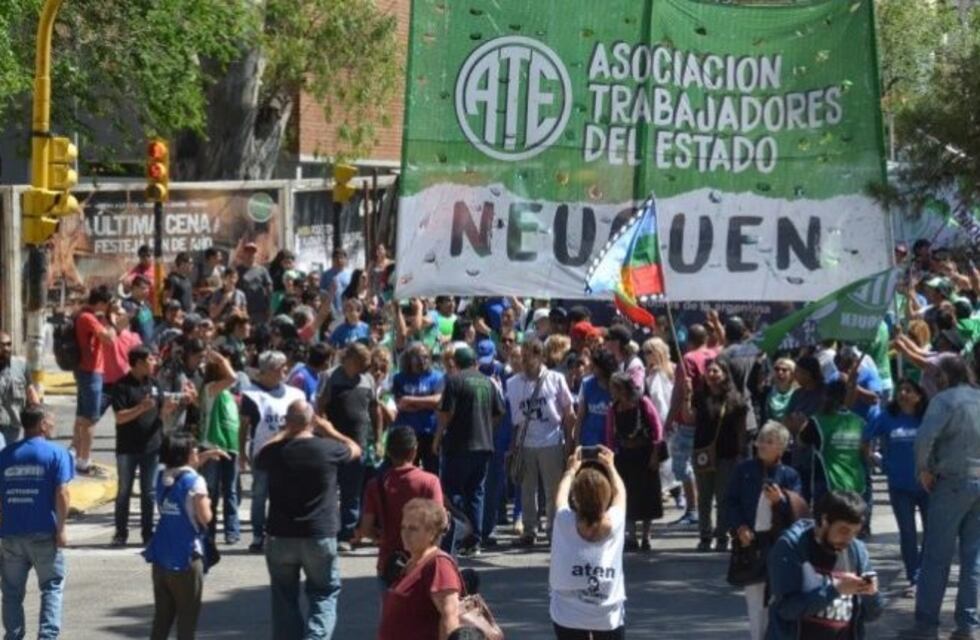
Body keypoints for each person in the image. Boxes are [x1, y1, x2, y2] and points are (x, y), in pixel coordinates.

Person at [256, 400, 359, 640]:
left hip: (280, 535)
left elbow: (260, 454)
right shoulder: (328, 449)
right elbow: (355, 448)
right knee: (324, 592)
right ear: (312, 421)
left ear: (288, 422)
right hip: (319, 533)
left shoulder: (274, 452)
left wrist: (285, 430)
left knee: (283, 598)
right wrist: (329, 429)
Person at [906, 355, 980, 640]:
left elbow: (925, 436)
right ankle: (968, 626)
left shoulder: (945, 400)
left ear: (945, 376)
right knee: (973, 558)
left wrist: (923, 468)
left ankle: (926, 625)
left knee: (936, 557)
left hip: (951, 482)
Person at [767, 491, 882, 640]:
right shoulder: (792, 546)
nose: (848, 539)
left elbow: (872, 614)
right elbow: (787, 609)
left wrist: (871, 594)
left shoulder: (857, 550)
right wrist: (835, 589)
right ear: (824, 520)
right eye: (843, 531)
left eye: (855, 533)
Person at [0, 406, 72, 640]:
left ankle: (13, 636)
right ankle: (47, 637)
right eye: (51, 421)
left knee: (11, 592)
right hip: (44, 534)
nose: (54, 425)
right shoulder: (57, 454)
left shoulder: (5, 455)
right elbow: (62, 493)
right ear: (41, 424)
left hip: (11, 534)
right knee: (51, 586)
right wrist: (61, 529)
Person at [143, 434, 225, 640]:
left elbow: (182, 473)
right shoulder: (196, 482)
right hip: (186, 557)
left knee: (162, 618)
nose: (197, 452)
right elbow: (205, 517)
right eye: (194, 450)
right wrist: (207, 501)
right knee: (187, 620)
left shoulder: (162, 476)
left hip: (161, 555)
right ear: (186, 455)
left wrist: (205, 456)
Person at [725, 422, 802, 640]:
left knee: (780, 599)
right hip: (751, 545)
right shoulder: (744, 470)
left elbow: (798, 511)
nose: (762, 445)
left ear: (781, 447)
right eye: (761, 440)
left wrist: (780, 501)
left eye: (770, 442)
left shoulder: (790, 476)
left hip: (779, 545)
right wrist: (739, 527)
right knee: (755, 602)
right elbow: (731, 502)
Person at [549, 446, 627, 640]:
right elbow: (621, 494)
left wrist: (570, 470)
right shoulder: (615, 521)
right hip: (607, 615)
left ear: (575, 498)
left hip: (567, 614)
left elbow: (559, 496)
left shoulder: (564, 520)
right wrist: (611, 467)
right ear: (605, 497)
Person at [434, 346, 506, 556]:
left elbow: (446, 414)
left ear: (455, 363)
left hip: (458, 445)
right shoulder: (487, 382)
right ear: (475, 362)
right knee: (476, 492)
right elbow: (499, 413)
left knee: (453, 492)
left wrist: (438, 438)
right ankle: (475, 540)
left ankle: (457, 535)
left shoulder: (454, 381)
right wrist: (487, 429)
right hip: (484, 445)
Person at [505, 338, 576, 547]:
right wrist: (513, 447)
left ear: (540, 357)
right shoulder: (513, 383)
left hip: (551, 440)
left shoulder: (555, 379)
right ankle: (529, 529)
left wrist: (569, 442)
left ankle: (553, 530)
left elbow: (568, 412)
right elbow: (515, 420)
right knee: (527, 489)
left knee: (553, 489)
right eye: (522, 358)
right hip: (525, 442)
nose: (524, 363)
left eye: (529, 358)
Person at [862, 378, 929, 590]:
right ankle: (914, 576)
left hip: (927, 486)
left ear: (919, 395)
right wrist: (875, 459)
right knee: (907, 533)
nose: (903, 394)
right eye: (900, 390)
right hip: (899, 486)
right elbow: (866, 440)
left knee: (931, 532)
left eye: (908, 390)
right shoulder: (887, 417)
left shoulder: (928, 418)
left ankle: (926, 572)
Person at [358, 426, 444, 588]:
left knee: (392, 611)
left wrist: (381, 537)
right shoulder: (430, 482)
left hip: (390, 563)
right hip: (423, 562)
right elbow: (440, 523)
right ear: (414, 450)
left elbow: (365, 528)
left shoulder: (375, 485)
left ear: (389, 452)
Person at [239, 350, 307, 553]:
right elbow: (244, 425)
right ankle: (258, 535)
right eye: (281, 368)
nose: (285, 371)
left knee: (285, 495)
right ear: (268, 371)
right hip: (263, 454)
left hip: (289, 454)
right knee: (260, 495)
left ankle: (281, 533)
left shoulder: (295, 394)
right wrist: (242, 452)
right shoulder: (252, 394)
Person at [316, 342, 382, 549]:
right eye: (363, 362)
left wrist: (378, 438)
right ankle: (326, 531)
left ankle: (347, 534)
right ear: (351, 359)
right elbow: (320, 408)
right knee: (327, 490)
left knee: (351, 493)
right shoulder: (329, 377)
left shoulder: (367, 379)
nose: (366, 367)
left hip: (359, 445)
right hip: (332, 444)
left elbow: (375, 409)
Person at [378, 498, 464, 640]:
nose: (405, 533)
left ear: (432, 533)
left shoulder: (439, 565)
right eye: (403, 527)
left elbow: (450, 617)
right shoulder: (412, 563)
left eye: (413, 528)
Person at [110, 346, 166, 547]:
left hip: (152, 446)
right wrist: (141, 408)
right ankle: (120, 532)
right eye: (150, 360)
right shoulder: (122, 386)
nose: (154, 363)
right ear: (139, 363)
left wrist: (172, 407)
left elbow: (160, 413)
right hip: (127, 448)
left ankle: (147, 533)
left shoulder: (155, 384)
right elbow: (120, 417)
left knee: (148, 492)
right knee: (124, 490)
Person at [604, 372, 663, 552]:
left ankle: (646, 535)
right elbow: (609, 437)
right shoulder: (613, 409)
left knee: (648, 496)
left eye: (613, 388)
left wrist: (655, 454)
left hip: (644, 455)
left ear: (621, 388)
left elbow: (657, 429)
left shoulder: (642, 403)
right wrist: (610, 460)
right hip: (625, 458)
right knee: (625, 495)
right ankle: (631, 535)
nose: (611, 392)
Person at [72, 285, 117, 474]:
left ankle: (76, 455)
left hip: (85, 370)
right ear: (101, 303)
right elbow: (109, 339)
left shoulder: (83, 314)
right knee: (90, 419)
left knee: (82, 417)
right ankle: (84, 460)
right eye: (107, 304)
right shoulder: (89, 318)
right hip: (91, 372)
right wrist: (111, 321)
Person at [199, 348, 242, 545]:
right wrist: (221, 359)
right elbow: (233, 377)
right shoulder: (211, 388)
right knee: (213, 491)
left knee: (231, 490)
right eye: (226, 365)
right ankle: (209, 531)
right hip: (212, 445)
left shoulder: (227, 394)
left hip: (230, 446)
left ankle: (232, 531)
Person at [392, 343, 444, 474]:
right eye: (419, 357)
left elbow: (438, 401)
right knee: (406, 472)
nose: (424, 360)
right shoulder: (399, 378)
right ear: (410, 358)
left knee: (432, 473)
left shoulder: (437, 377)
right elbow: (399, 403)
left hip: (429, 432)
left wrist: (411, 400)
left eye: (426, 357)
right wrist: (426, 404)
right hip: (407, 433)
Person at [0, 330, 40, 444]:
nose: (6, 348)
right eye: (2, 345)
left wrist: (39, 420)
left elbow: (31, 393)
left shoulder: (21, 366)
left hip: (14, 427)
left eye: (8, 344)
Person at [575, 350, 616, 447]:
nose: (591, 367)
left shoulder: (615, 386)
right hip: (589, 441)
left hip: (611, 444)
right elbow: (580, 416)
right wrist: (577, 442)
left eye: (595, 365)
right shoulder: (587, 384)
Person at [236, 242, 274, 325]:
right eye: (248, 252)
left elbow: (269, 289)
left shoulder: (262, 270)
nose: (250, 254)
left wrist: (270, 306)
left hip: (260, 310)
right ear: (243, 254)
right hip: (243, 309)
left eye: (253, 252)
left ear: (256, 254)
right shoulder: (237, 270)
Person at [319, 248, 353, 319]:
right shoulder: (326, 275)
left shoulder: (350, 275)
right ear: (333, 260)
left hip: (347, 310)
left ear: (345, 259)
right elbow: (322, 293)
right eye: (336, 258)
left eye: (341, 258)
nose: (339, 260)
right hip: (331, 311)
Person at [122, 274, 155, 344]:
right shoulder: (126, 305)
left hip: (150, 347)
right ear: (134, 288)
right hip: (137, 348)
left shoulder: (147, 305)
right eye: (143, 288)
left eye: (148, 288)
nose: (147, 291)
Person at [763, 358, 797, 424]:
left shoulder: (798, 394)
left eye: (784, 370)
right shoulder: (767, 391)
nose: (780, 372)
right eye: (777, 369)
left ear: (792, 374)